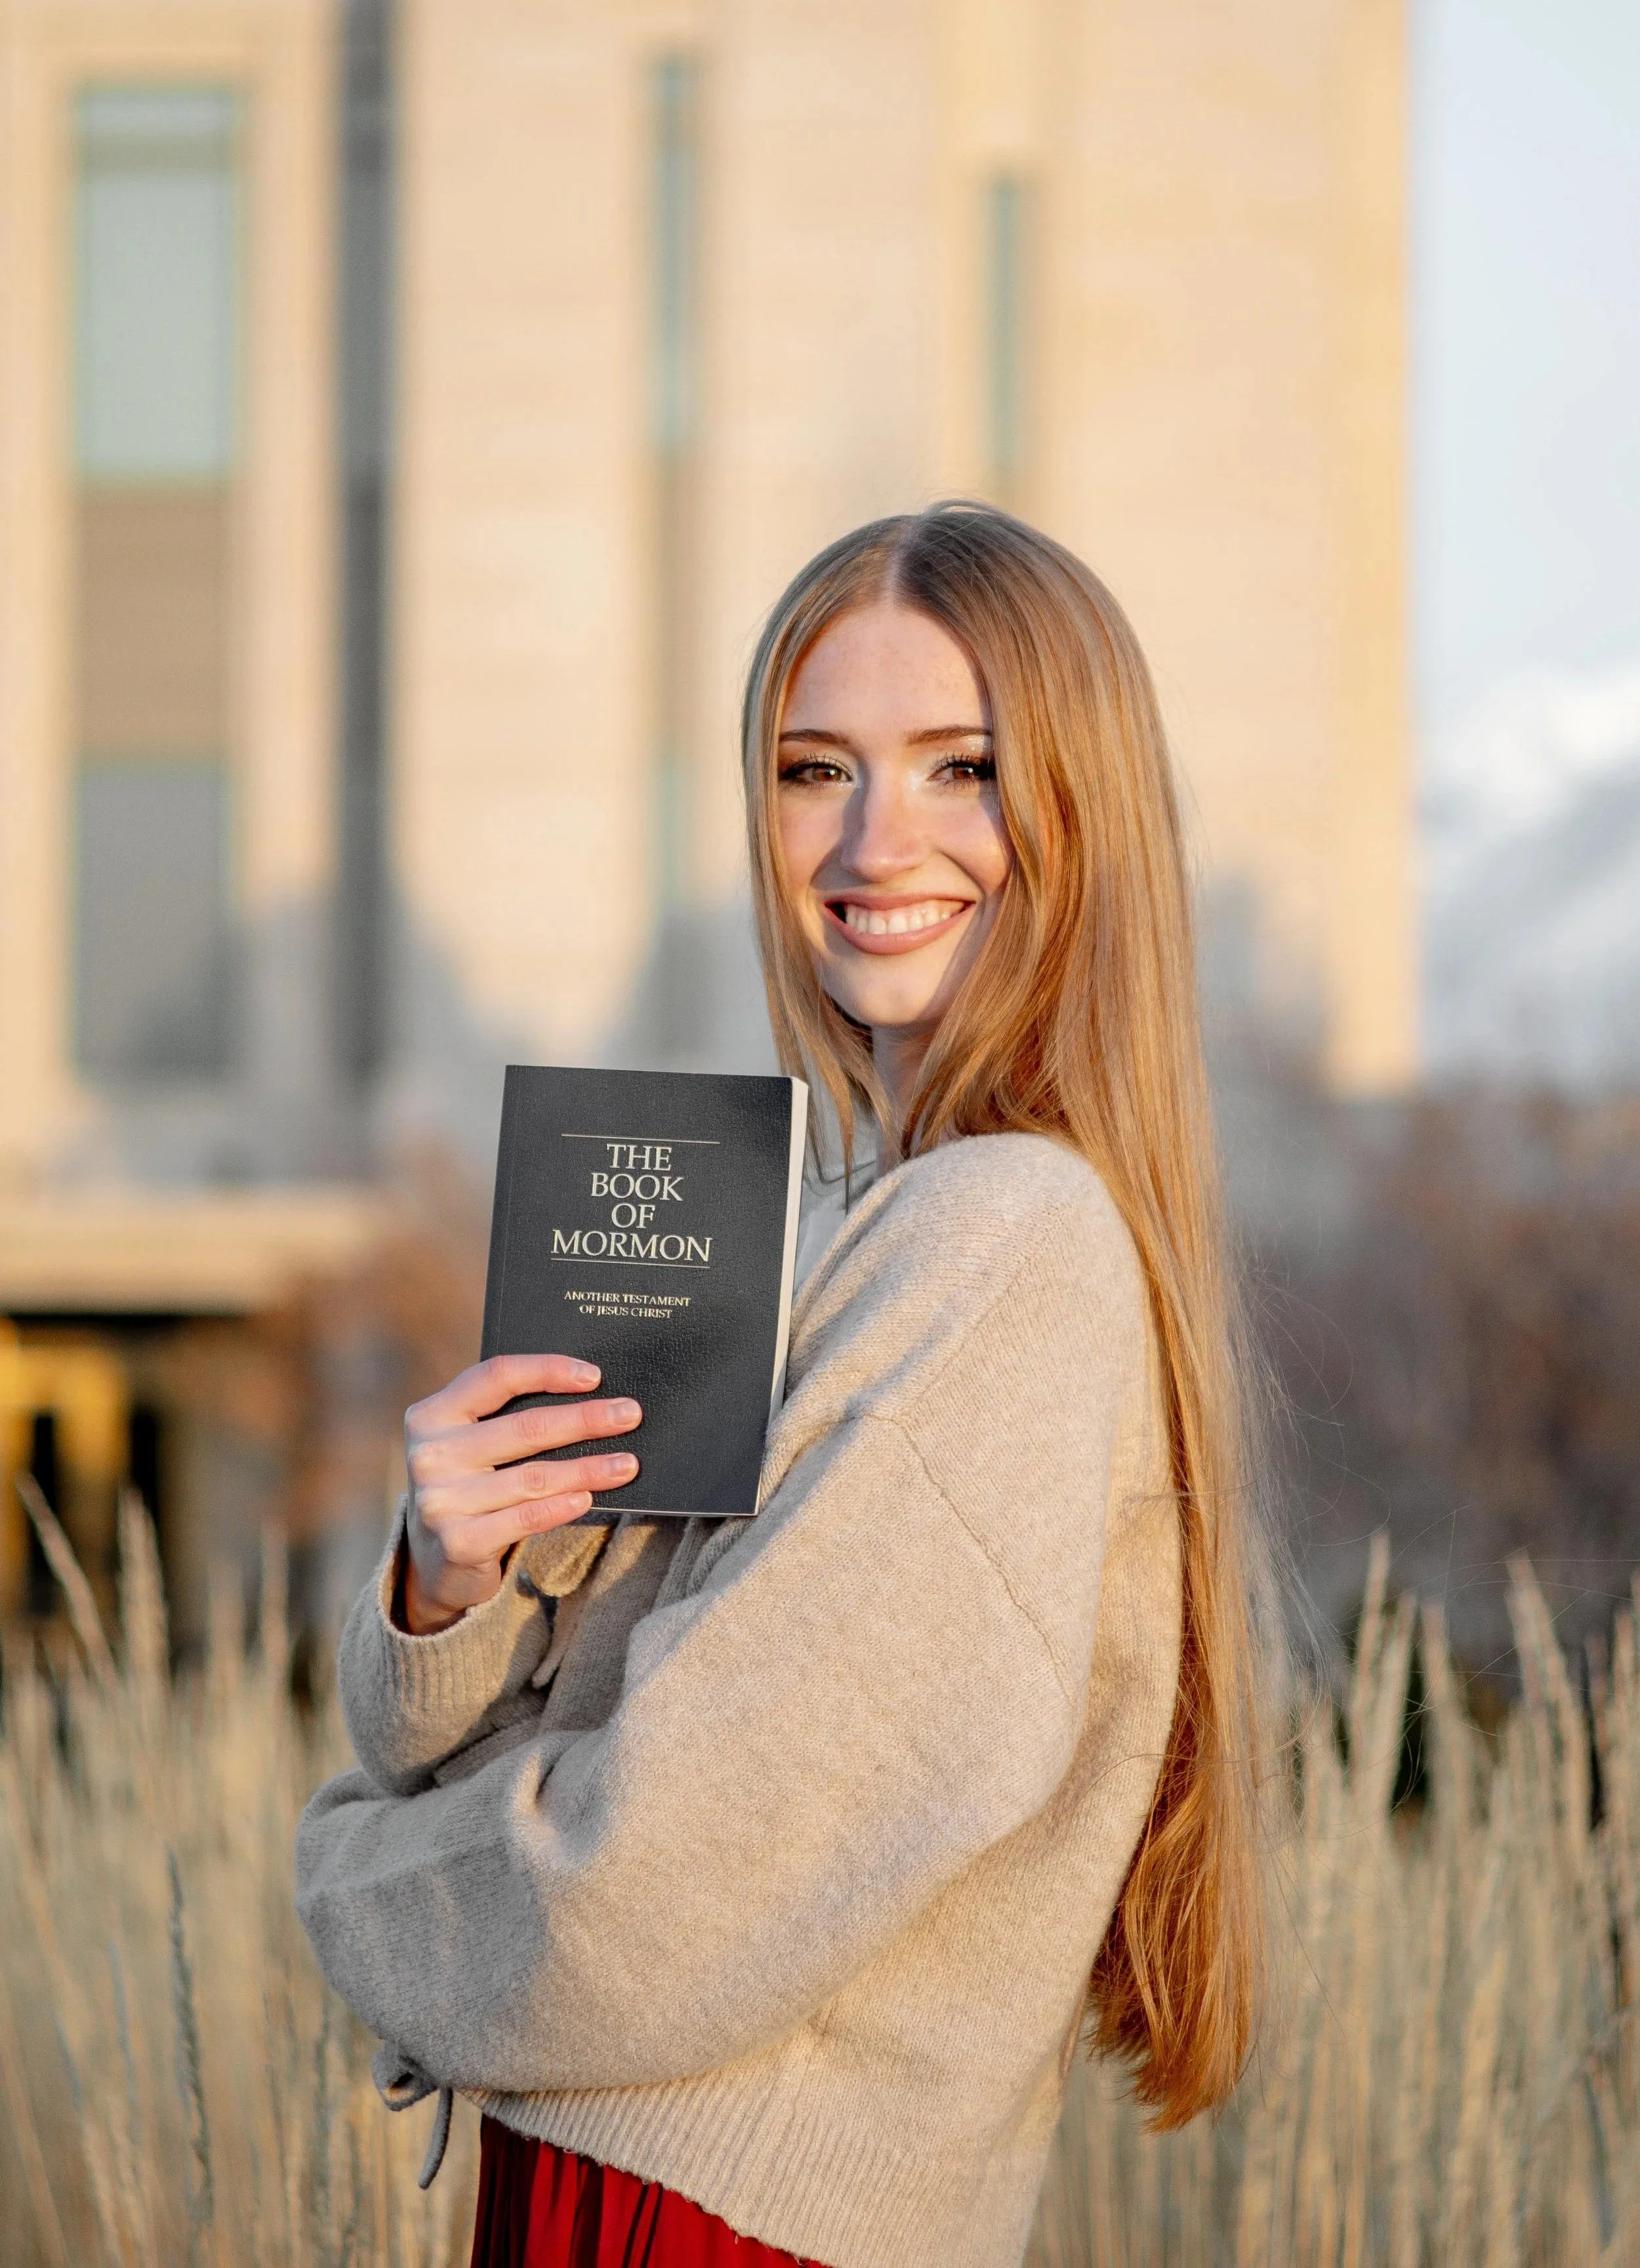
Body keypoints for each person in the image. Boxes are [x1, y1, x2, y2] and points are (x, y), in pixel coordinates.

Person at [297, 503, 1271, 2268]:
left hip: (717, 2211)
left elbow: (646, 1900)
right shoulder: (826, 1222)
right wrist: (450, 1580)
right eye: (814, 769)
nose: (871, 840)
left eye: (960, 769)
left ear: (1078, 809)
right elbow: (460, 1728)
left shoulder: (998, 1240)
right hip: (650, 2178)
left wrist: (347, 1879)